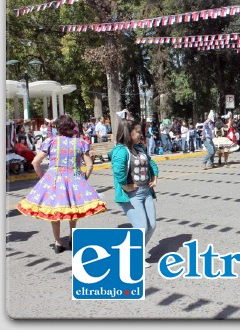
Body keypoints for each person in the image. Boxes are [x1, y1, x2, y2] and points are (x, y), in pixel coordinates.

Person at [17, 115, 107, 253]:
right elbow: (89, 165)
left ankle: (58, 242)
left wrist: (43, 178)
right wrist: (84, 180)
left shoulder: (51, 141)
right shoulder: (80, 142)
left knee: (55, 210)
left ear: (58, 127)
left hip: (53, 180)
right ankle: (72, 237)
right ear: (72, 127)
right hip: (75, 179)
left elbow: (35, 162)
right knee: (73, 209)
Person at [110, 119, 159, 268]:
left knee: (152, 226)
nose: (140, 135)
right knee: (141, 228)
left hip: (146, 192)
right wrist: (127, 186)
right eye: (137, 132)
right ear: (128, 132)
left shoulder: (139, 148)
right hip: (132, 195)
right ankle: (133, 256)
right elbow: (118, 171)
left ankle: (135, 253)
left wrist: (154, 176)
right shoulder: (120, 151)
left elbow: (150, 162)